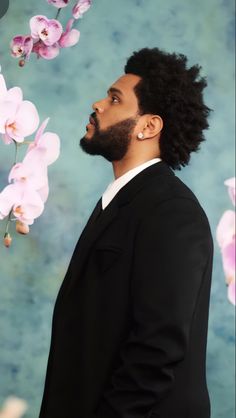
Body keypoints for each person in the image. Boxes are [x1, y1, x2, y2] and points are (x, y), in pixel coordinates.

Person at [39, 47, 213, 418]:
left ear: (148, 126)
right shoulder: (122, 202)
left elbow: (157, 349)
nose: (98, 104)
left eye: (115, 98)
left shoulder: (171, 212)